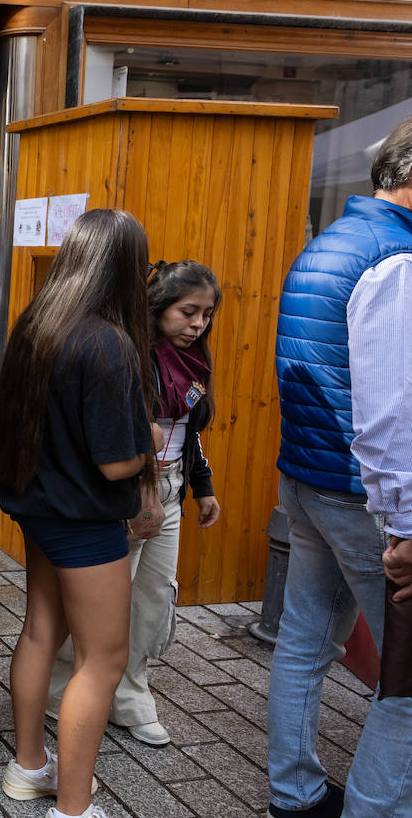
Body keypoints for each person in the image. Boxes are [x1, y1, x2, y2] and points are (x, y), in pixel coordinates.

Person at [0, 209, 158, 818]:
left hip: (38, 509)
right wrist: (151, 447)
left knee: (41, 630)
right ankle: (74, 808)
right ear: (126, 270)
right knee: (104, 658)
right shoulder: (107, 341)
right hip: (85, 522)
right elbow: (116, 465)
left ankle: (27, 767)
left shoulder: (37, 323)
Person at [269, 117, 412, 818]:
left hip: (309, 476)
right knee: (408, 677)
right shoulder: (396, 257)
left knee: (303, 642)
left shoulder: (330, 243)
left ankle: (292, 794)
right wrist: (407, 523)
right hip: (364, 499)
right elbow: (389, 412)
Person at [46, 260, 223, 748]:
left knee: (151, 601)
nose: (198, 325)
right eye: (188, 312)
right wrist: (137, 491)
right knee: (98, 604)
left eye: (207, 315)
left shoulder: (194, 363)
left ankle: (130, 693)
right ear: (159, 308)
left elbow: (189, 434)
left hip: (172, 491)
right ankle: (62, 692)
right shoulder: (127, 355)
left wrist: (202, 485)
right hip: (126, 494)